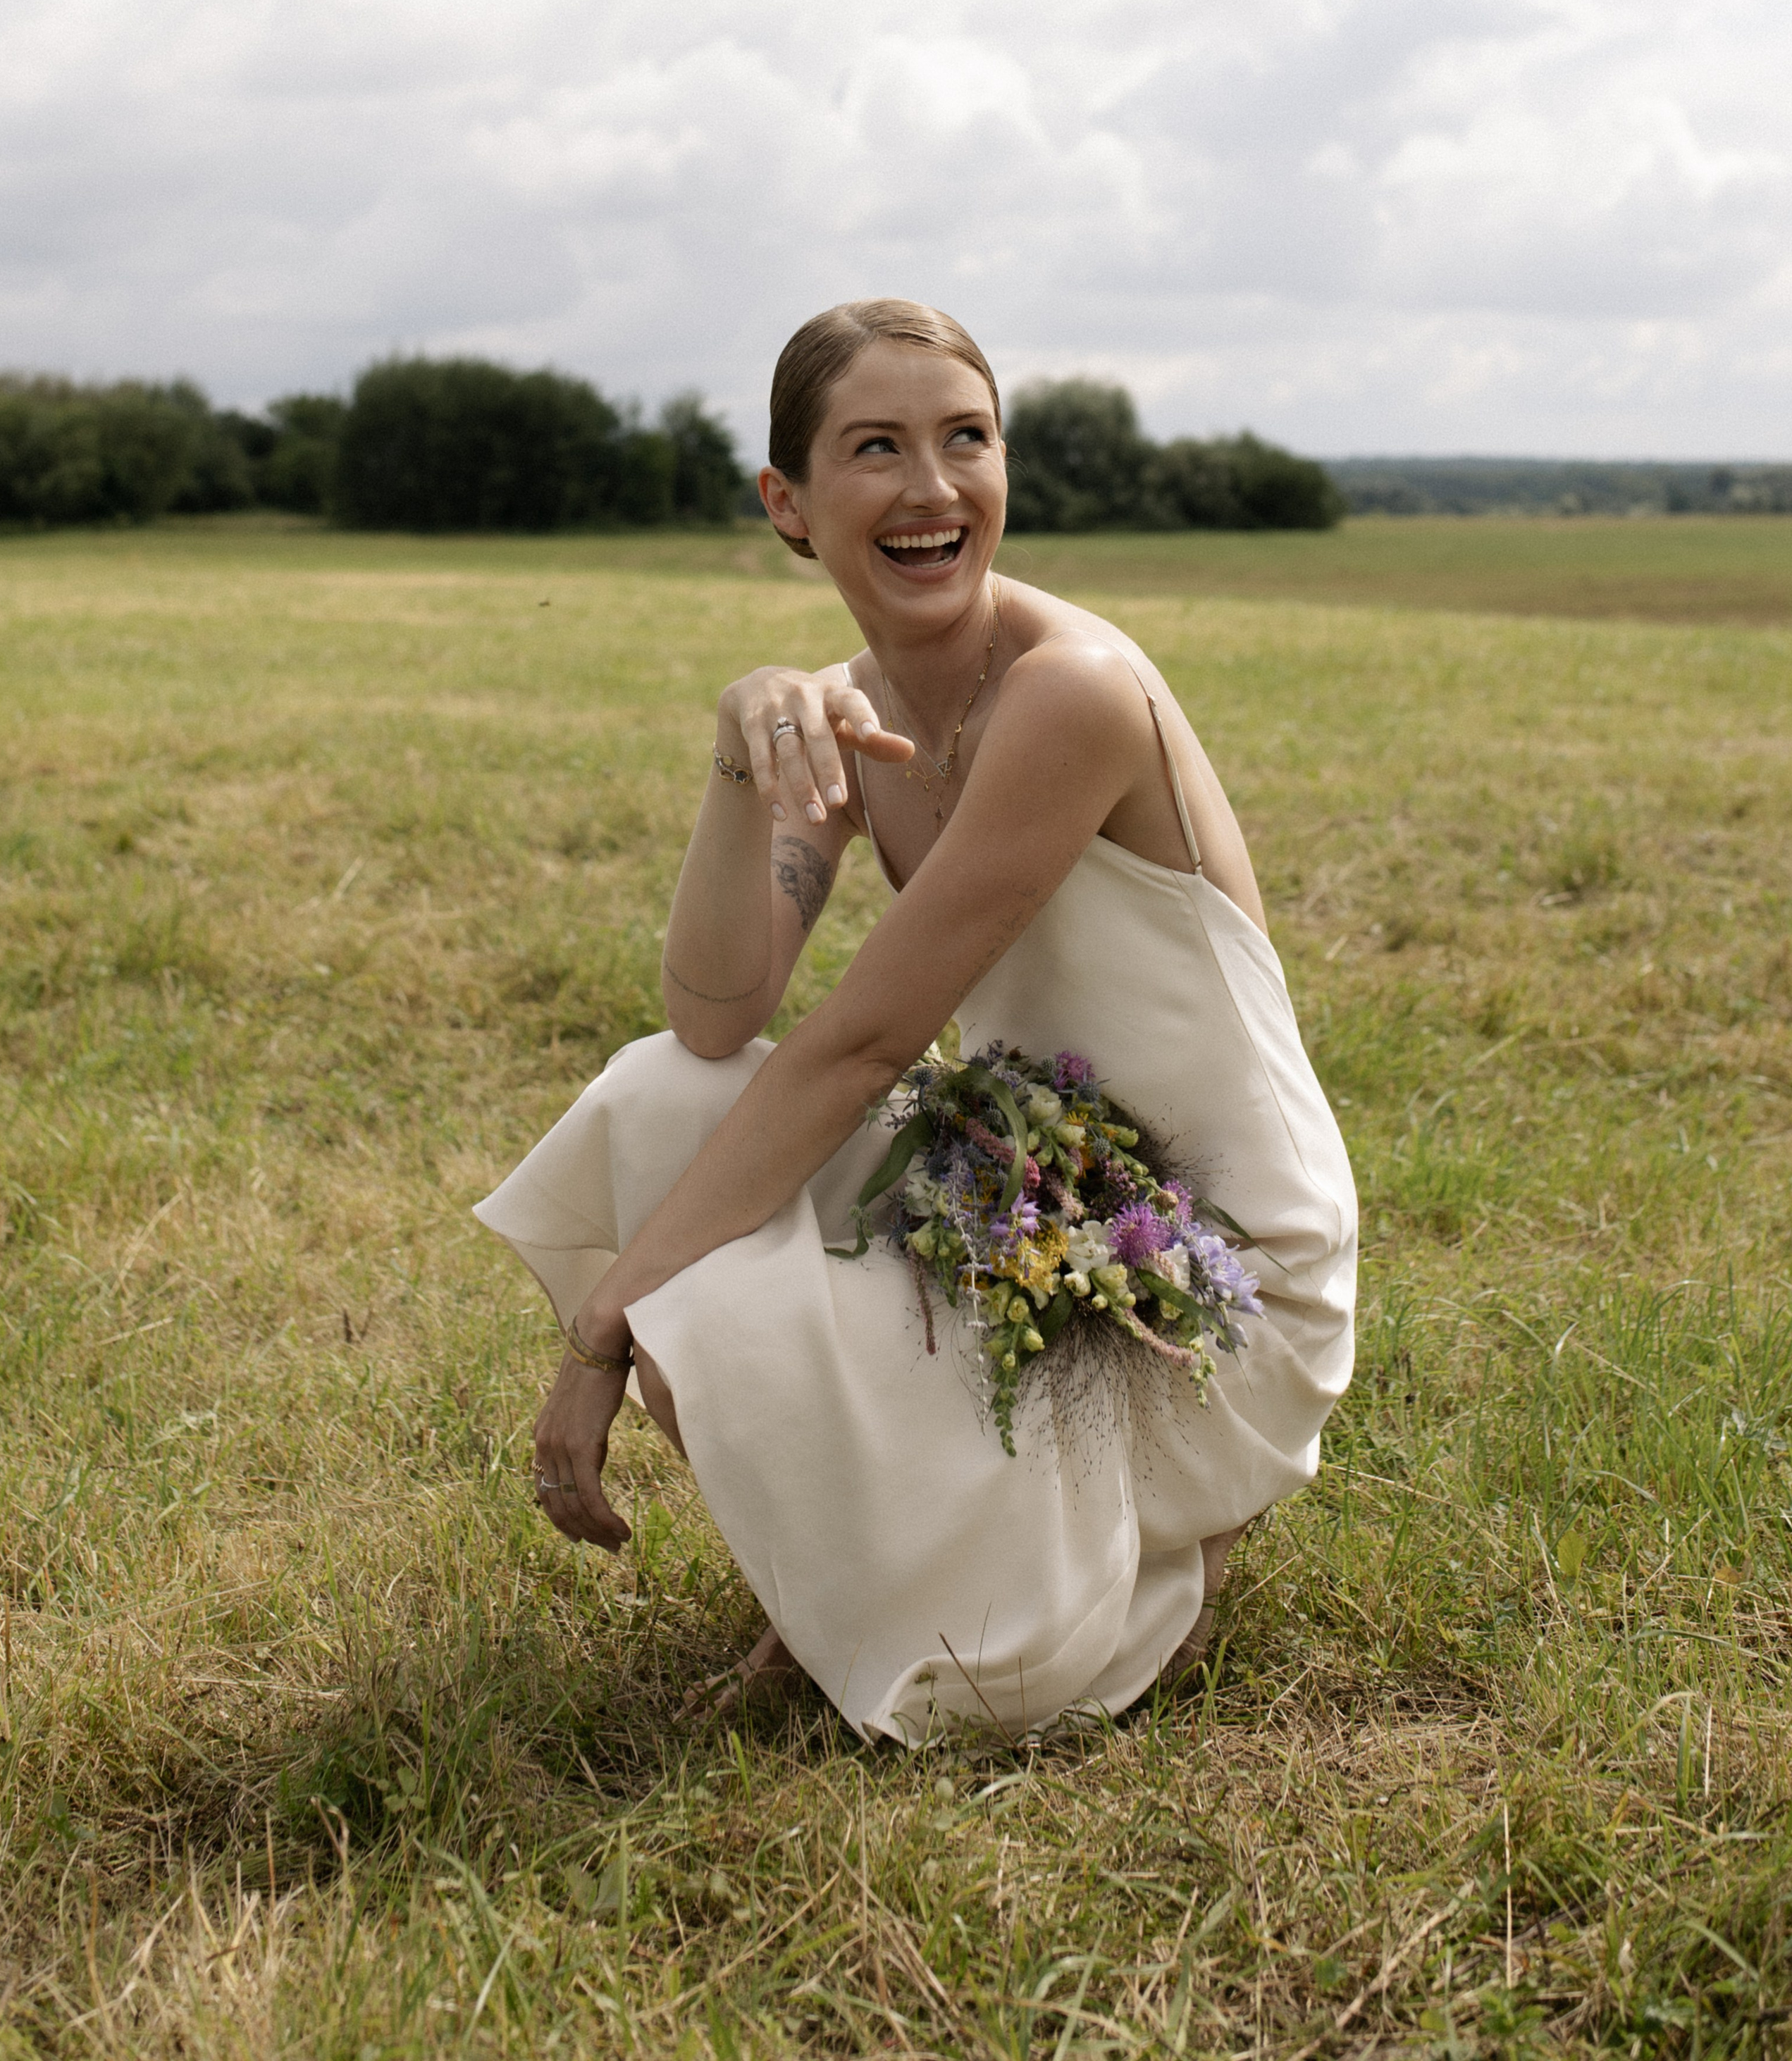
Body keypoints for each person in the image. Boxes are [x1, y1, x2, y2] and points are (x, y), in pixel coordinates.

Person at [475, 299, 1355, 1743]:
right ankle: (840, 1590)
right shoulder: (850, 711)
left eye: (966, 439)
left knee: (727, 1305)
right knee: (654, 1101)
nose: (932, 487)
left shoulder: (1070, 693)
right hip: (1026, 1189)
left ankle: (1128, 1572)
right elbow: (716, 1015)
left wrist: (601, 1335)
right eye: (873, 448)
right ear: (788, 503)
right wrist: (734, 755)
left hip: (1209, 1274)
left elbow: (863, 1046)